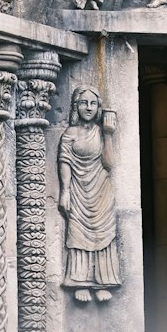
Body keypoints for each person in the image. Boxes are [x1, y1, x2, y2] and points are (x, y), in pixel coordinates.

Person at [58, 87, 120, 303]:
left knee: (104, 233)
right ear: (76, 105)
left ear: (98, 107)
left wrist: (109, 134)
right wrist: (64, 191)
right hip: (77, 188)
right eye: (84, 103)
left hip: (101, 188)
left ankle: (103, 281)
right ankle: (79, 280)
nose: (88, 108)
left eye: (93, 103)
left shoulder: (101, 132)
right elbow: (64, 162)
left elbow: (109, 164)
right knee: (78, 232)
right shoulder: (70, 133)